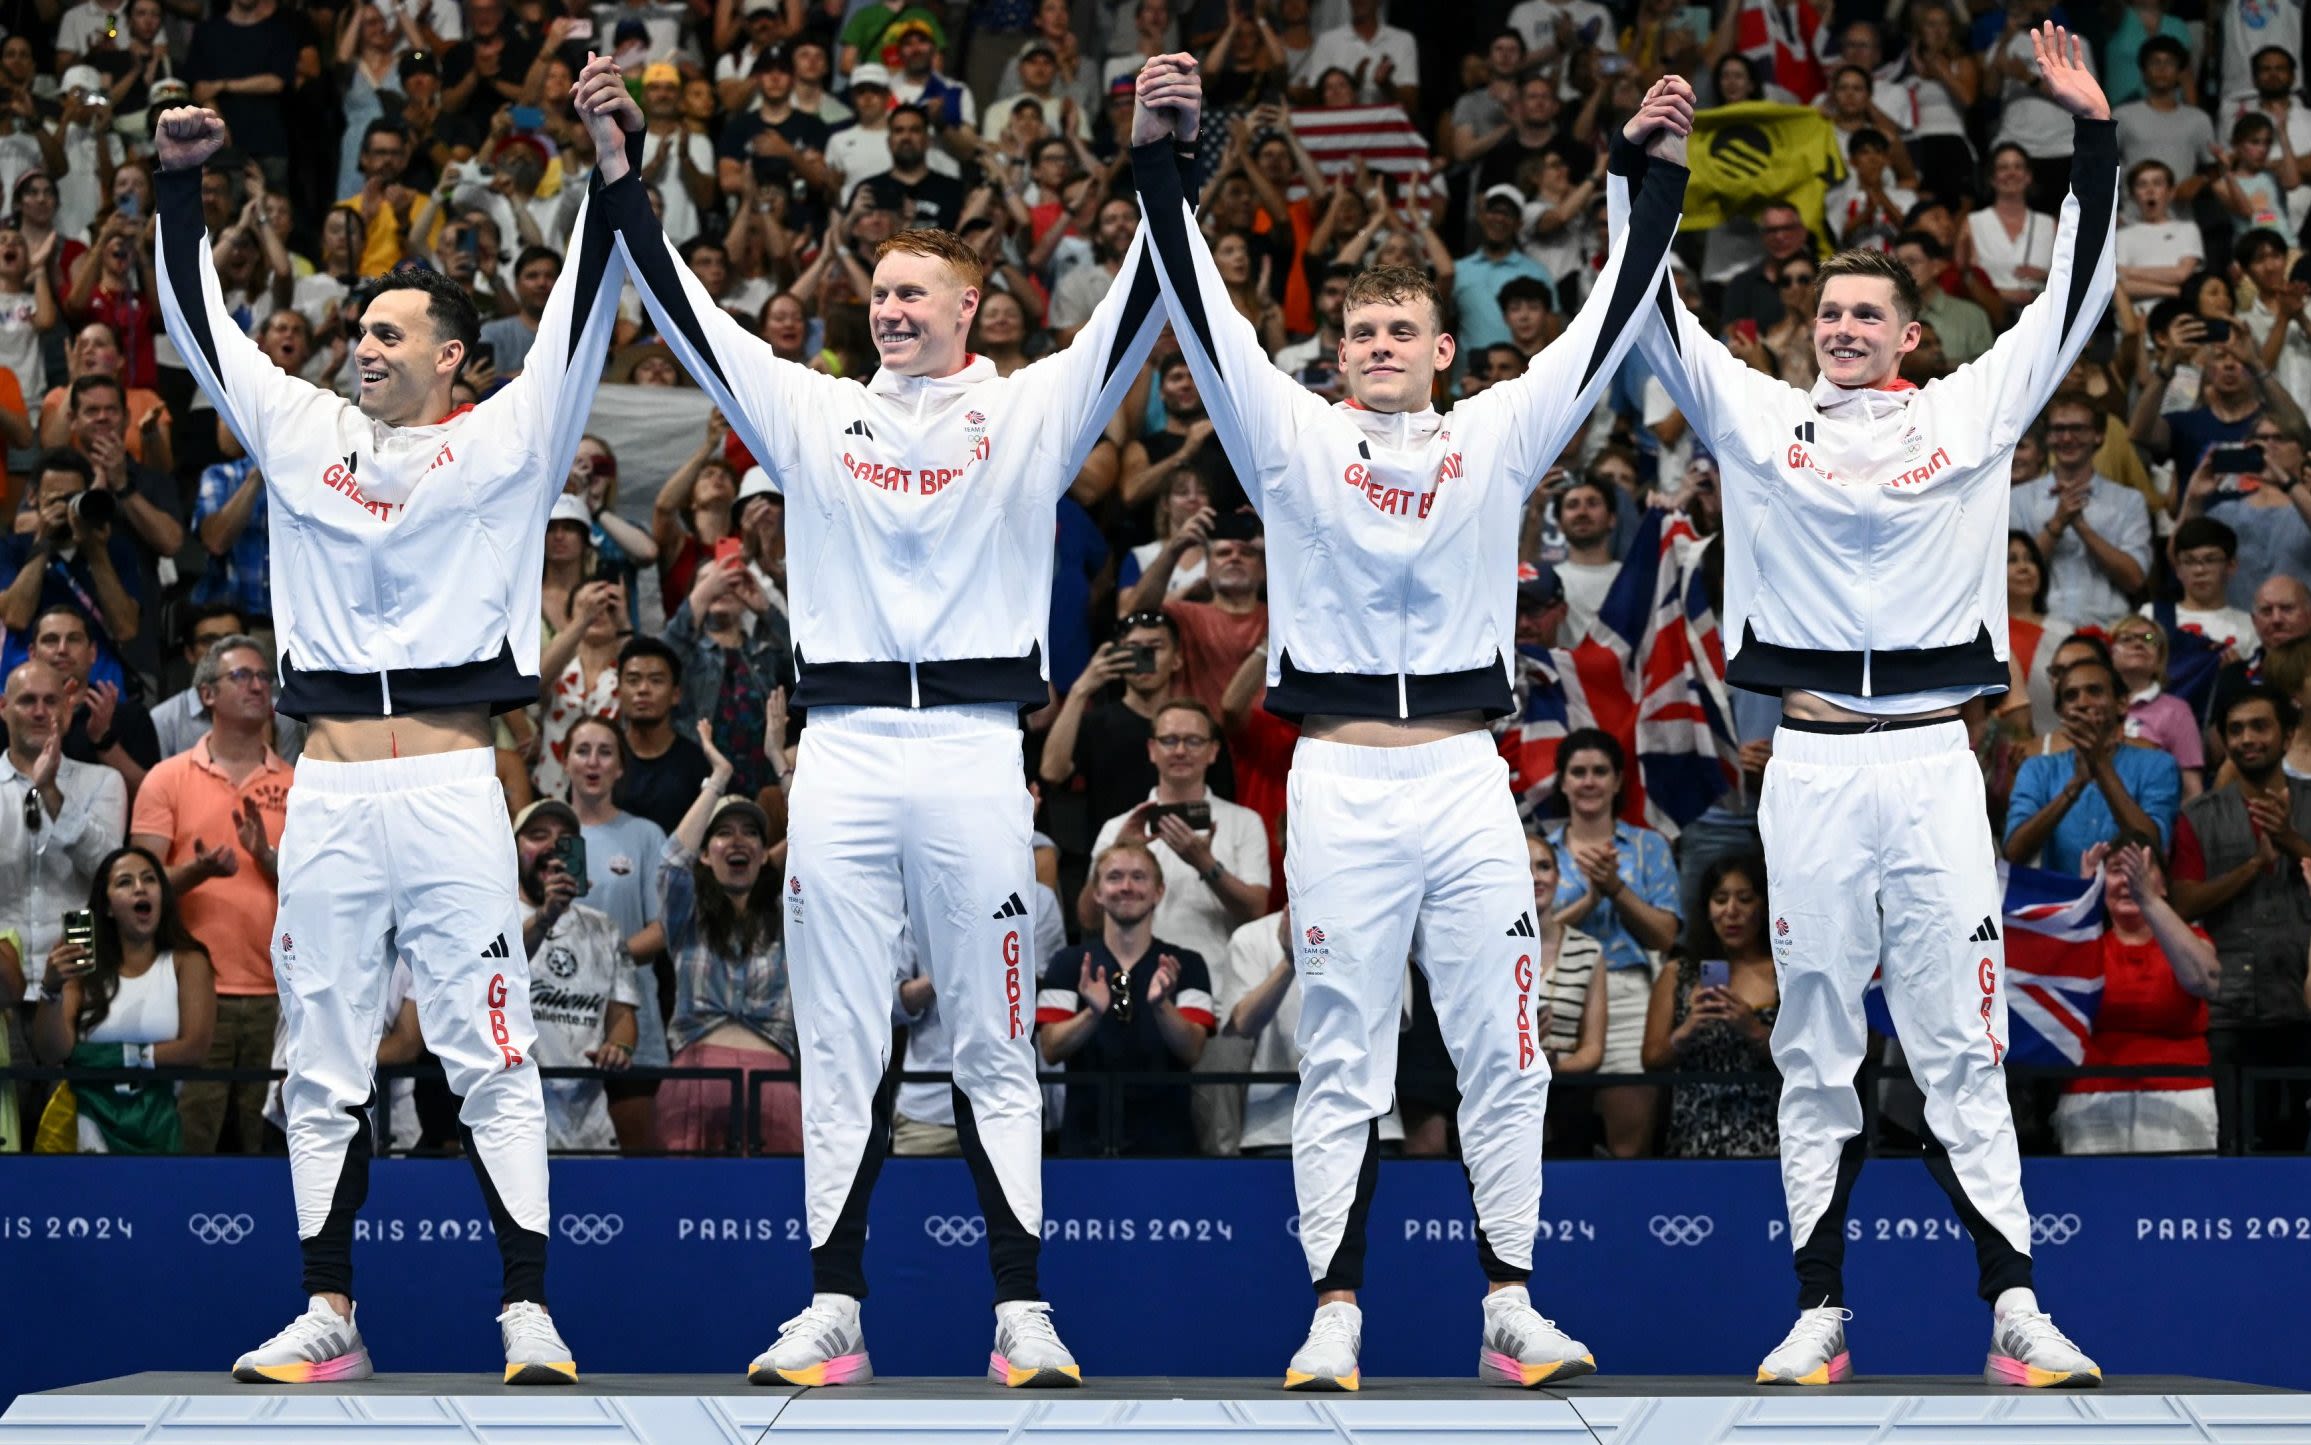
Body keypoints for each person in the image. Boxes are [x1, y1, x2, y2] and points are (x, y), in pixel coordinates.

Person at [587, 54, 1170, 1389]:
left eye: (919, 292)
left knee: (994, 1032)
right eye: (881, 290)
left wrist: (1155, 160)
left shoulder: (1028, 407)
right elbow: (685, 315)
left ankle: (1020, 1310)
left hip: (972, 748)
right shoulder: (814, 409)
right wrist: (622, 171)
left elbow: (1140, 309)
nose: (893, 304)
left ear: (975, 311)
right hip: (843, 749)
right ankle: (832, 1309)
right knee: (839, 1036)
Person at [1130, 55, 1690, 1391]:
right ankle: (1333, 1312)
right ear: (1335, 353)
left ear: (1443, 349)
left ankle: (1509, 1302)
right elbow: (1197, 310)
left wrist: (1642, 178)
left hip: (1462, 783)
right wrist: (1162, 160)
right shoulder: (1288, 436)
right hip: (1336, 786)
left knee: (1505, 1045)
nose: (1378, 350)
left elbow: (1605, 322)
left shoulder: (1494, 434)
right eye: (1359, 334)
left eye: (1403, 333)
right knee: (1342, 1057)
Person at [1607, 32, 2114, 1386]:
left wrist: (2091, 133)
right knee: (1811, 1036)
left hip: (1937, 768)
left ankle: (2013, 1308)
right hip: (1814, 768)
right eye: (1822, 314)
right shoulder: (1755, 422)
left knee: (1961, 1034)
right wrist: (1632, 173)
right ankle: (1817, 1310)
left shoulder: (1969, 409)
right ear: (1801, 330)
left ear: (1906, 333)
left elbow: (2070, 293)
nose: (1839, 330)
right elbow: (1644, 313)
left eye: (1863, 316)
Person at [150, 73, 633, 1381]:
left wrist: (607, 161)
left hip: (451, 783)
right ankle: (329, 1313)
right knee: (321, 1059)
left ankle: (526, 1307)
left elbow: (587, 317)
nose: (362, 346)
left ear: (454, 357)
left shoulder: (506, 443)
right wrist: (178, 187)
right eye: (359, 327)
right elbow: (199, 329)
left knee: (488, 1045)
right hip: (330, 794)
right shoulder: (304, 431)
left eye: (390, 333)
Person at [128, 634, 293, 1154]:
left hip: (282, 995)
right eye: (241, 676)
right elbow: (137, 892)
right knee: (191, 1145)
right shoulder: (167, 779)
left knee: (268, 1148)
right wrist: (197, 870)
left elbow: (323, 899)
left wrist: (268, 861)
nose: (257, 685)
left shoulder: (302, 784)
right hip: (193, 992)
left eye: (264, 676)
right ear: (206, 696)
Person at [2168, 686, 2311, 1153]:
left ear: (2288, 735)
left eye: (2260, 726)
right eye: (2236, 729)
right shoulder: (2198, 816)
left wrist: (2290, 839)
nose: (2248, 738)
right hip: (2229, 1012)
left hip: (2303, 1006)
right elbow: (2184, 903)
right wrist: (2252, 867)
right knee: (2232, 1149)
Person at [652, 724, 798, 1157]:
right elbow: (672, 860)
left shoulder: (791, 914)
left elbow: (819, 839)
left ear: (762, 848)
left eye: (751, 832)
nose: (738, 840)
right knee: (681, 1217)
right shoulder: (686, 915)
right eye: (723, 832)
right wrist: (717, 778)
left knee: (781, 1217)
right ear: (705, 851)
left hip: (774, 1082)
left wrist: (778, 761)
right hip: (696, 1080)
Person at [1544, 729, 1683, 1157]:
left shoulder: (1649, 846)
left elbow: (1665, 936)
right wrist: (1591, 898)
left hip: (1629, 995)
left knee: (1630, 1146)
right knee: (1554, 1138)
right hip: (1555, 993)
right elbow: (1529, 930)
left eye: (1600, 771)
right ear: (1562, 781)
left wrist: (1616, 890)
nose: (1589, 782)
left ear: (1618, 781)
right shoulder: (1538, 851)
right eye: (1579, 772)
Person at [31, 846, 216, 1153]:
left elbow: (195, 1048)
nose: (140, 888)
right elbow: (53, 1051)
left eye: (149, 879)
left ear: (161, 895)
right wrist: (52, 988)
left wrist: (108, 1058)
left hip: (158, 1125)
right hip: (84, 1125)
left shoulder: (188, 961)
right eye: (125, 882)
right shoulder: (83, 965)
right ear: (106, 907)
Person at [1035, 839, 1215, 1155]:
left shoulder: (1187, 964)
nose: (1127, 887)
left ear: (1159, 892)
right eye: (1114, 877)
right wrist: (1091, 1014)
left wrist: (1162, 1006)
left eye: (1139, 877)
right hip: (1084, 1147)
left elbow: (1193, 1051)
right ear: (1097, 893)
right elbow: (1050, 1049)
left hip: (1168, 1150)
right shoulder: (1069, 963)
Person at [2055, 839, 2220, 1153]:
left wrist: (2149, 902)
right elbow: (2050, 998)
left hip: (2180, 1096)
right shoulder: (2084, 944)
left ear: (2164, 885)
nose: (2129, 880)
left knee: (2179, 1201)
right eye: (2117, 870)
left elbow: (2205, 981)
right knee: (2094, 1201)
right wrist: (2081, 903)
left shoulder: (2193, 940)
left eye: (2140, 870)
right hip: (2093, 1097)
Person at [562, 714, 669, 1152]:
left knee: (637, 1171)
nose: (593, 762)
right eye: (582, 750)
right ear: (564, 761)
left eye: (605, 752)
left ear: (620, 767)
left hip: (630, 1020)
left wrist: (602, 962)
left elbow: (662, 928)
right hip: (558, 1022)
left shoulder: (644, 835)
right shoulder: (546, 833)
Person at [0, 660, 129, 1018]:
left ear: (67, 709)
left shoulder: (104, 782)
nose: (40, 712)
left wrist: (50, 790)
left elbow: (108, 871)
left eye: (51, 701)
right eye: (27, 701)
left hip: (80, 985)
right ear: (2, 708)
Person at [511, 798, 639, 1152]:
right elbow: (495, 977)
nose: (552, 846)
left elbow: (622, 1015)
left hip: (591, 1130)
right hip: (513, 1126)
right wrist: (545, 917)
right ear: (514, 847)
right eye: (538, 835)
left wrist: (619, 1046)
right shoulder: (491, 919)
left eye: (565, 838)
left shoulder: (603, 928)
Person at [1641, 853, 1781, 1158]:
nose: (1731, 911)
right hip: (1694, 1136)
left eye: (1745, 899)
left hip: (1771, 1138)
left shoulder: (1786, 972)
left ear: (1764, 905)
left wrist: (1754, 1030)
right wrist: (1686, 1031)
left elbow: (1807, 1061)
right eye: (1720, 900)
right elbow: (1651, 1059)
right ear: (1706, 908)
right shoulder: (1679, 972)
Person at [2008, 392, 2152, 627]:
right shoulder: (2018, 500)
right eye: (2058, 429)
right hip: (2040, 627)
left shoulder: (2128, 501)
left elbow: (2134, 579)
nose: (2066, 438)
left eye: (2077, 429)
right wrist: (2056, 525)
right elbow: (2008, 577)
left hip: (2109, 625)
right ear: (2048, 438)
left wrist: (2082, 528)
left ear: (2099, 436)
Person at [2109, 618, 2205, 796]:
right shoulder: (2095, 704)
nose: (2138, 643)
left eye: (2148, 639)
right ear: (2110, 653)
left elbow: (2193, 792)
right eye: (2127, 639)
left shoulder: (2177, 711)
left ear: (2159, 659)